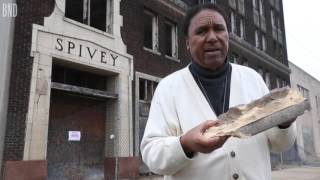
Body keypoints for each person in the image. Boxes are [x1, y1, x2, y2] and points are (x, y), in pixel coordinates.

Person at [140, 3, 296, 180]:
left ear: (227, 36)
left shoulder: (253, 79)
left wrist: (284, 123)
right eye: (201, 31)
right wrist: (185, 144)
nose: (212, 37)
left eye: (219, 29)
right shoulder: (169, 88)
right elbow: (152, 155)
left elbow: (280, 145)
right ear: (187, 44)